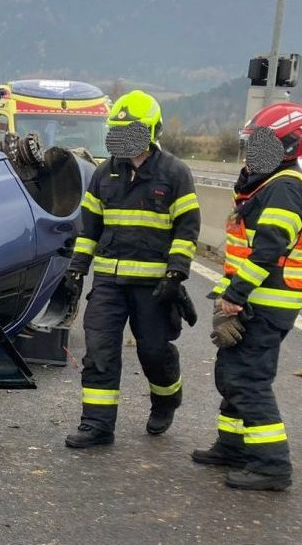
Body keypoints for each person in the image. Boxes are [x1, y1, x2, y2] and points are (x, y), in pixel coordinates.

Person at [194, 102, 302, 491]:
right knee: (231, 374)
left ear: (288, 146)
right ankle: (233, 446)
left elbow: (269, 249)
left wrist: (235, 295)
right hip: (260, 298)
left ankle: (271, 465)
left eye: (263, 144)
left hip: (267, 301)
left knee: (247, 379)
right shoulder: (273, 182)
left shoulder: (287, 186)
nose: (253, 152)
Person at [63, 90, 201, 448]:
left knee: (153, 351)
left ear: (150, 131)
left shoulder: (174, 174)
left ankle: (166, 399)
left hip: (153, 285)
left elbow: (187, 229)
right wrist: (77, 271)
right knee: (99, 352)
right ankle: (97, 425)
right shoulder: (103, 174)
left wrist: (176, 274)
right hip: (109, 283)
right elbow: (88, 228)